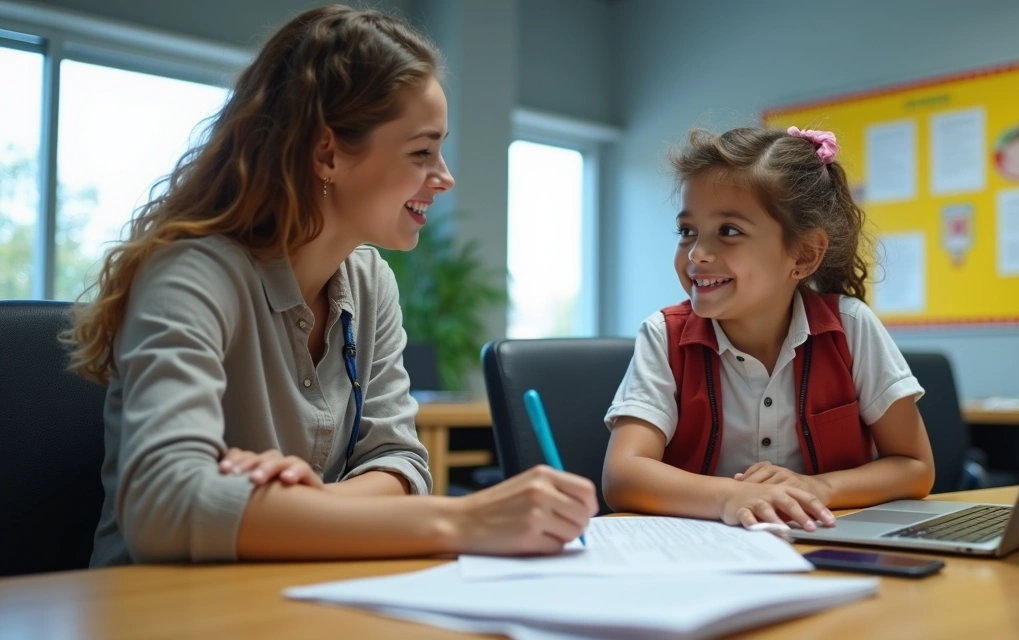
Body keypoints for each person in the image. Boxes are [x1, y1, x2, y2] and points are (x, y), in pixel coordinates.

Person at [69, 5, 596, 567]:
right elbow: (165, 507)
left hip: (294, 597)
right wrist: (467, 518)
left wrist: (305, 506)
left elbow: (402, 464)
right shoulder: (191, 275)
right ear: (327, 154)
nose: (444, 177)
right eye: (422, 151)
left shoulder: (370, 283)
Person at [602, 125, 935, 531]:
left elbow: (916, 468)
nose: (698, 254)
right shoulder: (664, 336)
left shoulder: (850, 328)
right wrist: (733, 496)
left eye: (729, 231)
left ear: (805, 254)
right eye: (687, 231)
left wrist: (822, 487)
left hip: (827, 543)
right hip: (702, 553)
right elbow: (623, 476)